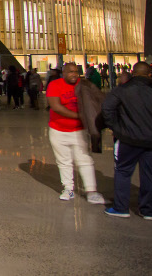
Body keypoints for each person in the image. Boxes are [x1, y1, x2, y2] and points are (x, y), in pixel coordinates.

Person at [101, 61, 152, 219]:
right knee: (150, 175)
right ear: (150, 75)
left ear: (133, 73)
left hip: (128, 139)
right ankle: (147, 210)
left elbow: (107, 108)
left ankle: (121, 208)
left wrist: (116, 128)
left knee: (123, 171)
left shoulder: (122, 90)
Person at [46, 62, 105, 204]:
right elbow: (56, 107)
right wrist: (81, 116)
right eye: (70, 71)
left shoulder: (84, 85)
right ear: (63, 73)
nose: (74, 74)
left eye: (76, 72)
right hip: (58, 130)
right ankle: (68, 188)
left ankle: (91, 191)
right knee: (64, 161)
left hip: (79, 131)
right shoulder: (55, 85)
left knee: (84, 160)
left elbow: (98, 101)